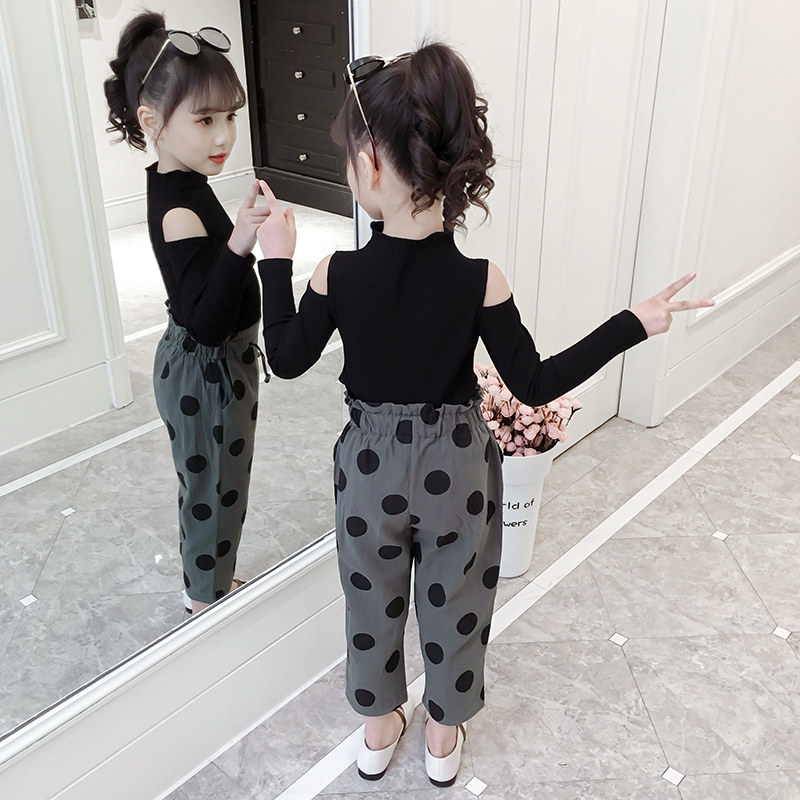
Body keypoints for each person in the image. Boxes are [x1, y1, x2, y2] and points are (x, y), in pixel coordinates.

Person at [254, 43, 714, 787]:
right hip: (456, 465)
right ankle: (442, 738)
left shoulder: (338, 273)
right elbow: (534, 383)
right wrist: (632, 322)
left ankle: (378, 729)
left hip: (369, 466)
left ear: (371, 163)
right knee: (456, 598)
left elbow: (284, 356)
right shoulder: (479, 279)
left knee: (371, 600)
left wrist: (275, 258)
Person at [104, 12, 269, 615]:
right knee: (212, 489)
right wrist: (241, 242)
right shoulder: (178, 209)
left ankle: (211, 585)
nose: (224, 136)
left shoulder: (181, 181)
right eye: (205, 120)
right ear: (152, 121)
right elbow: (204, 320)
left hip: (215, 367)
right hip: (207, 373)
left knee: (219, 484)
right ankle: (205, 599)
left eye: (229, 117)